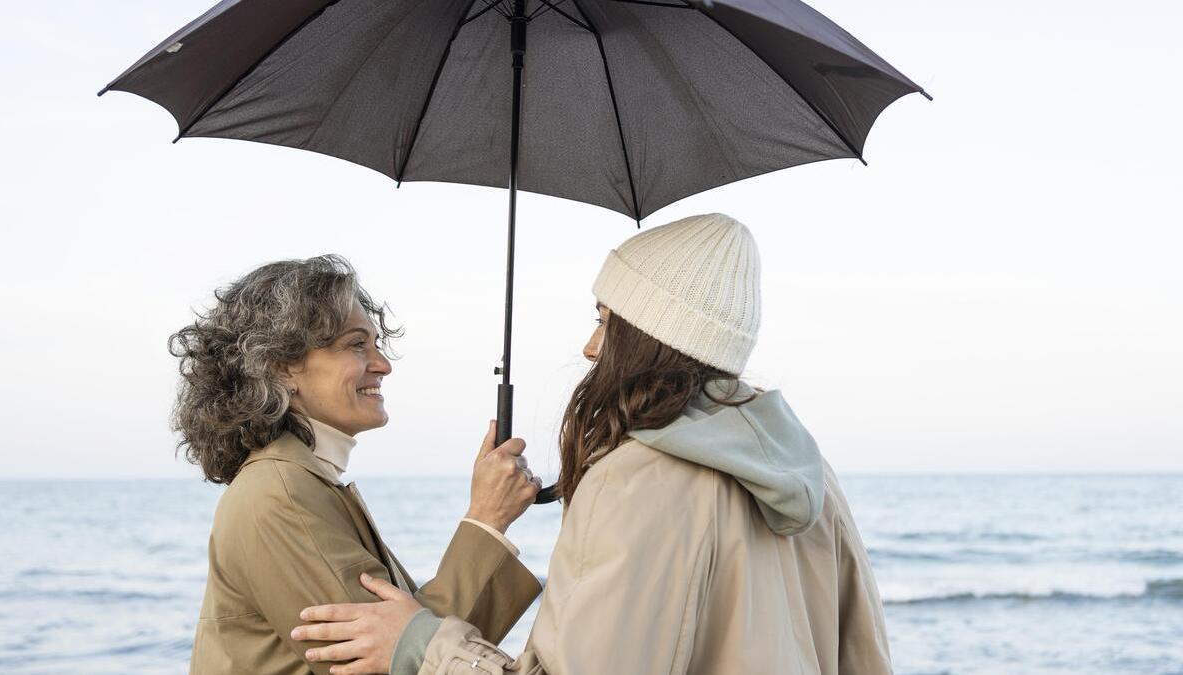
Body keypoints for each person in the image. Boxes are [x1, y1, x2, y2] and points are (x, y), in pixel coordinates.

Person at [293, 214, 892, 674]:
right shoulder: (811, 476)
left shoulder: (635, 479)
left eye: (605, 320)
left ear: (647, 337)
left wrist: (419, 643)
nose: (589, 346)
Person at [172, 255, 543, 675]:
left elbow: (410, 638)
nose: (383, 364)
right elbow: (399, 659)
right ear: (282, 366)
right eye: (355, 344)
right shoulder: (280, 494)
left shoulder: (304, 482)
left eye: (376, 344)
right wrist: (487, 520)